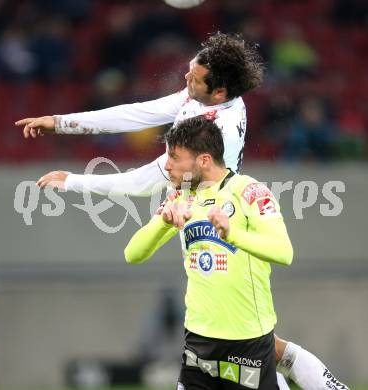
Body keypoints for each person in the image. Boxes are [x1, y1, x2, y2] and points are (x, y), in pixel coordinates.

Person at [15, 32, 349, 390]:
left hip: (222, 232)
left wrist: (74, 182)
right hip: (197, 218)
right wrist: (61, 122)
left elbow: (141, 182)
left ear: (218, 91)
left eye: (194, 76)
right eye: (190, 70)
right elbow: (139, 113)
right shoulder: (204, 102)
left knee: (257, 350)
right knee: (260, 353)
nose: (186, 79)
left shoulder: (209, 133)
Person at [125, 116, 293, 389]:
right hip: (198, 342)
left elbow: (284, 252)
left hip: (247, 342)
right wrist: (164, 223)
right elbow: (132, 253)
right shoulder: (181, 197)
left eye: (175, 157)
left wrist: (233, 234)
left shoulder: (249, 192)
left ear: (203, 160)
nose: (166, 166)